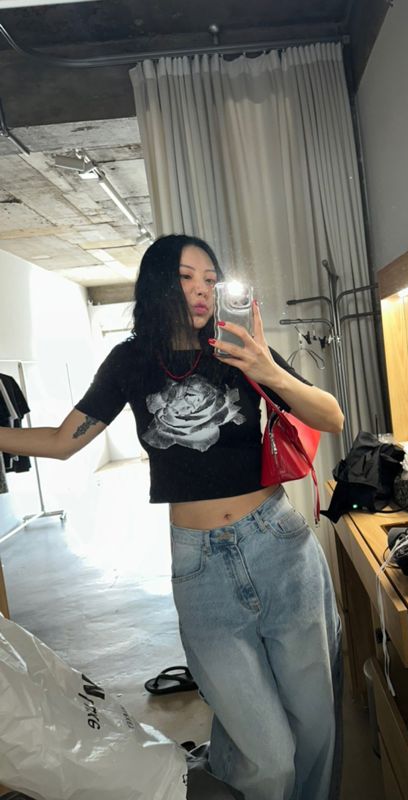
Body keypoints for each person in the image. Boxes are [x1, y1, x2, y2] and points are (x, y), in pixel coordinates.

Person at [0, 234, 344, 800]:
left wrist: (267, 369)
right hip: (201, 566)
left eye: (210, 279)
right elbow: (64, 440)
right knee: (267, 754)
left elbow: (331, 417)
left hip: (279, 545)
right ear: (160, 282)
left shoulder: (238, 346)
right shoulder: (131, 360)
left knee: (314, 721)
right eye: (187, 277)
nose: (202, 290)